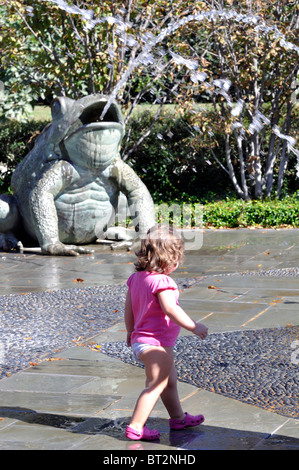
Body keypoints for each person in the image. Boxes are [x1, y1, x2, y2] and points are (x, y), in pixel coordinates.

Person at [124, 224, 208, 441]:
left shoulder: (136, 279)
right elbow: (171, 309)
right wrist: (193, 326)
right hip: (155, 343)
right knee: (156, 385)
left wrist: (129, 331)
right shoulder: (163, 282)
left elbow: (128, 308)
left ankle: (178, 418)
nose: (178, 263)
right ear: (166, 260)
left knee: (169, 381)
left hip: (143, 340)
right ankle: (136, 426)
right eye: (176, 258)